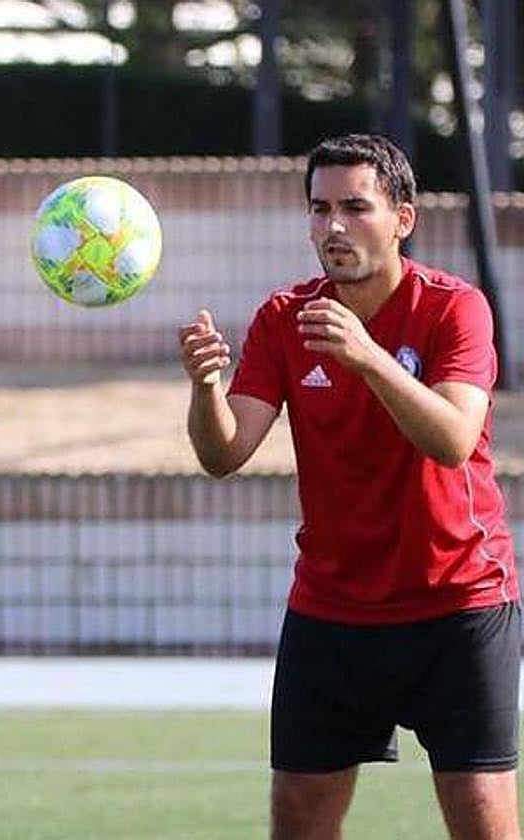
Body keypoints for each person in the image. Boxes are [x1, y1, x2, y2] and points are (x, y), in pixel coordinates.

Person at [178, 133, 520, 840]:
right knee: (297, 822)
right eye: (319, 208)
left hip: (457, 603)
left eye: (355, 207)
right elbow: (224, 452)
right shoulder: (284, 317)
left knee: (484, 826)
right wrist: (206, 388)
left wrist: (367, 356)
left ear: (403, 218)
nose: (333, 226)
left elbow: (453, 439)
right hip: (333, 610)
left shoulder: (456, 309)